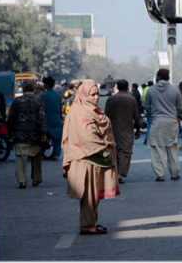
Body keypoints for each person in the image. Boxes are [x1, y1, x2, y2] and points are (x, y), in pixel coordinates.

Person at [62, 80, 119, 235]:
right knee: (89, 195)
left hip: (94, 158)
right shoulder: (79, 112)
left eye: (97, 94)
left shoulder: (92, 110)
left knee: (93, 195)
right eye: (92, 95)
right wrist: (105, 146)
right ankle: (88, 226)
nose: (95, 98)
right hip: (85, 158)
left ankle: (91, 223)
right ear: (83, 94)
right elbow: (87, 138)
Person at [145, 69, 182, 181]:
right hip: (171, 122)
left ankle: (160, 174)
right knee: (172, 148)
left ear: (158, 77)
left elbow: (147, 106)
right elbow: (180, 107)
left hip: (157, 122)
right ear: (168, 77)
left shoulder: (151, 90)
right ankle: (174, 173)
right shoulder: (175, 89)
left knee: (156, 148)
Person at [7, 82, 46, 188]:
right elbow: (42, 118)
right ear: (33, 89)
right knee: (36, 156)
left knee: (20, 157)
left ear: (23, 90)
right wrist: (43, 133)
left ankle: (22, 180)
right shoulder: (39, 101)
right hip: (35, 135)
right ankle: (36, 179)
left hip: (19, 134)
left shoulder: (17, 101)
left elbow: (11, 118)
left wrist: (9, 132)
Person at [104, 80, 143, 184]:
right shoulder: (132, 99)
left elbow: (105, 115)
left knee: (114, 151)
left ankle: (114, 172)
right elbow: (136, 116)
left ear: (117, 87)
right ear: (127, 87)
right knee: (125, 152)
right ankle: (121, 173)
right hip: (127, 129)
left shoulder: (111, 99)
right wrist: (138, 130)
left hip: (113, 129)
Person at [41, 76, 64, 160]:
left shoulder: (43, 95)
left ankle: (42, 153)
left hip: (46, 121)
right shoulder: (58, 96)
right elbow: (60, 108)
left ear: (46, 85)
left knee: (43, 137)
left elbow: (41, 109)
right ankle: (56, 154)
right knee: (57, 139)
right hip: (57, 120)